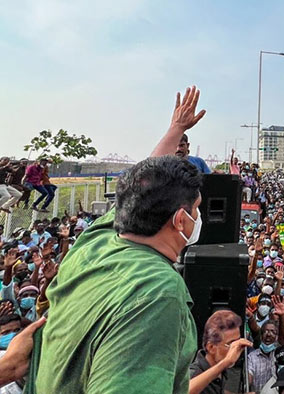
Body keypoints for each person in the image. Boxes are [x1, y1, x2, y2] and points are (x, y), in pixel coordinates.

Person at [34, 85, 207, 393]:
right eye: (196, 209)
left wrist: (176, 128)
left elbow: (142, 184)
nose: (198, 217)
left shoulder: (96, 243)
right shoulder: (157, 291)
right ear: (181, 220)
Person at [189, 310, 252, 394]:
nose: (235, 350)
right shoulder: (194, 373)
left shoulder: (220, 369)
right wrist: (226, 362)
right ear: (211, 347)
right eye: (231, 345)